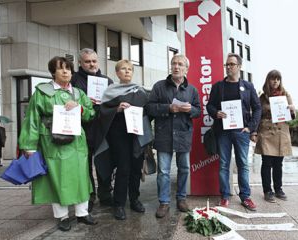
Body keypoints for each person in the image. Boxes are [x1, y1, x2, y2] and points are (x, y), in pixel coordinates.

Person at [18, 56, 97, 231]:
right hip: (51, 140)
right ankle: (62, 216)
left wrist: (81, 108)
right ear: (53, 72)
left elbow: (91, 114)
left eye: (68, 68)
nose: (65, 72)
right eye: (61, 68)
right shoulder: (42, 92)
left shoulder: (78, 93)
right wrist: (29, 145)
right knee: (56, 177)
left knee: (81, 176)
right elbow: (32, 119)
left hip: (77, 141)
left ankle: (82, 213)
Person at [146, 54, 201, 218]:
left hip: (183, 135)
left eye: (180, 64)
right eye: (174, 64)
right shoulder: (159, 86)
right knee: (163, 171)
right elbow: (149, 108)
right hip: (164, 135)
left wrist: (190, 109)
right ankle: (164, 202)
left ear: (186, 69)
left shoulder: (192, 90)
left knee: (184, 168)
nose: (176, 67)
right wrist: (168, 108)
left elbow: (198, 111)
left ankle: (181, 198)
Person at [94, 60, 150, 220]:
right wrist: (116, 109)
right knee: (123, 168)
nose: (127, 72)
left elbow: (148, 111)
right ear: (117, 73)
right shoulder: (110, 92)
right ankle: (119, 204)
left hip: (137, 136)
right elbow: (102, 112)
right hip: (119, 136)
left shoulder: (141, 92)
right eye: (123, 69)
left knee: (136, 168)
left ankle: (134, 199)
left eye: (130, 69)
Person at [207, 53, 261, 211]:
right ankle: (224, 196)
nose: (228, 67)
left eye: (231, 64)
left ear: (239, 66)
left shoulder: (248, 86)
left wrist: (250, 127)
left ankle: (245, 196)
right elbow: (210, 106)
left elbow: (257, 108)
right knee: (224, 164)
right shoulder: (218, 86)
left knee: (243, 164)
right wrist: (216, 113)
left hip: (241, 131)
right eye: (227, 65)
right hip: (223, 131)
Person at [71, 48, 114, 211]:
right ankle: (88, 195)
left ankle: (105, 194)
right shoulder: (74, 80)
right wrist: (83, 101)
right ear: (80, 63)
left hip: (103, 129)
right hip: (82, 129)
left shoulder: (107, 81)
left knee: (104, 163)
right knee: (84, 165)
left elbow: (113, 103)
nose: (91, 64)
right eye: (87, 61)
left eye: (94, 61)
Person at [252, 70, 295, 203]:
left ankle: (278, 188)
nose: (275, 81)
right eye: (272, 79)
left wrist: (292, 109)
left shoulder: (286, 94)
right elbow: (257, 114)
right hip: (266, 131)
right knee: (267, 163)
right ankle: (267, 190)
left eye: (278, 79)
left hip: (281, 131)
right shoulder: (263, 97)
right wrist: (254, 132)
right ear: (268, 80)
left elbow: (291, 115)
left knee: (278, 164)